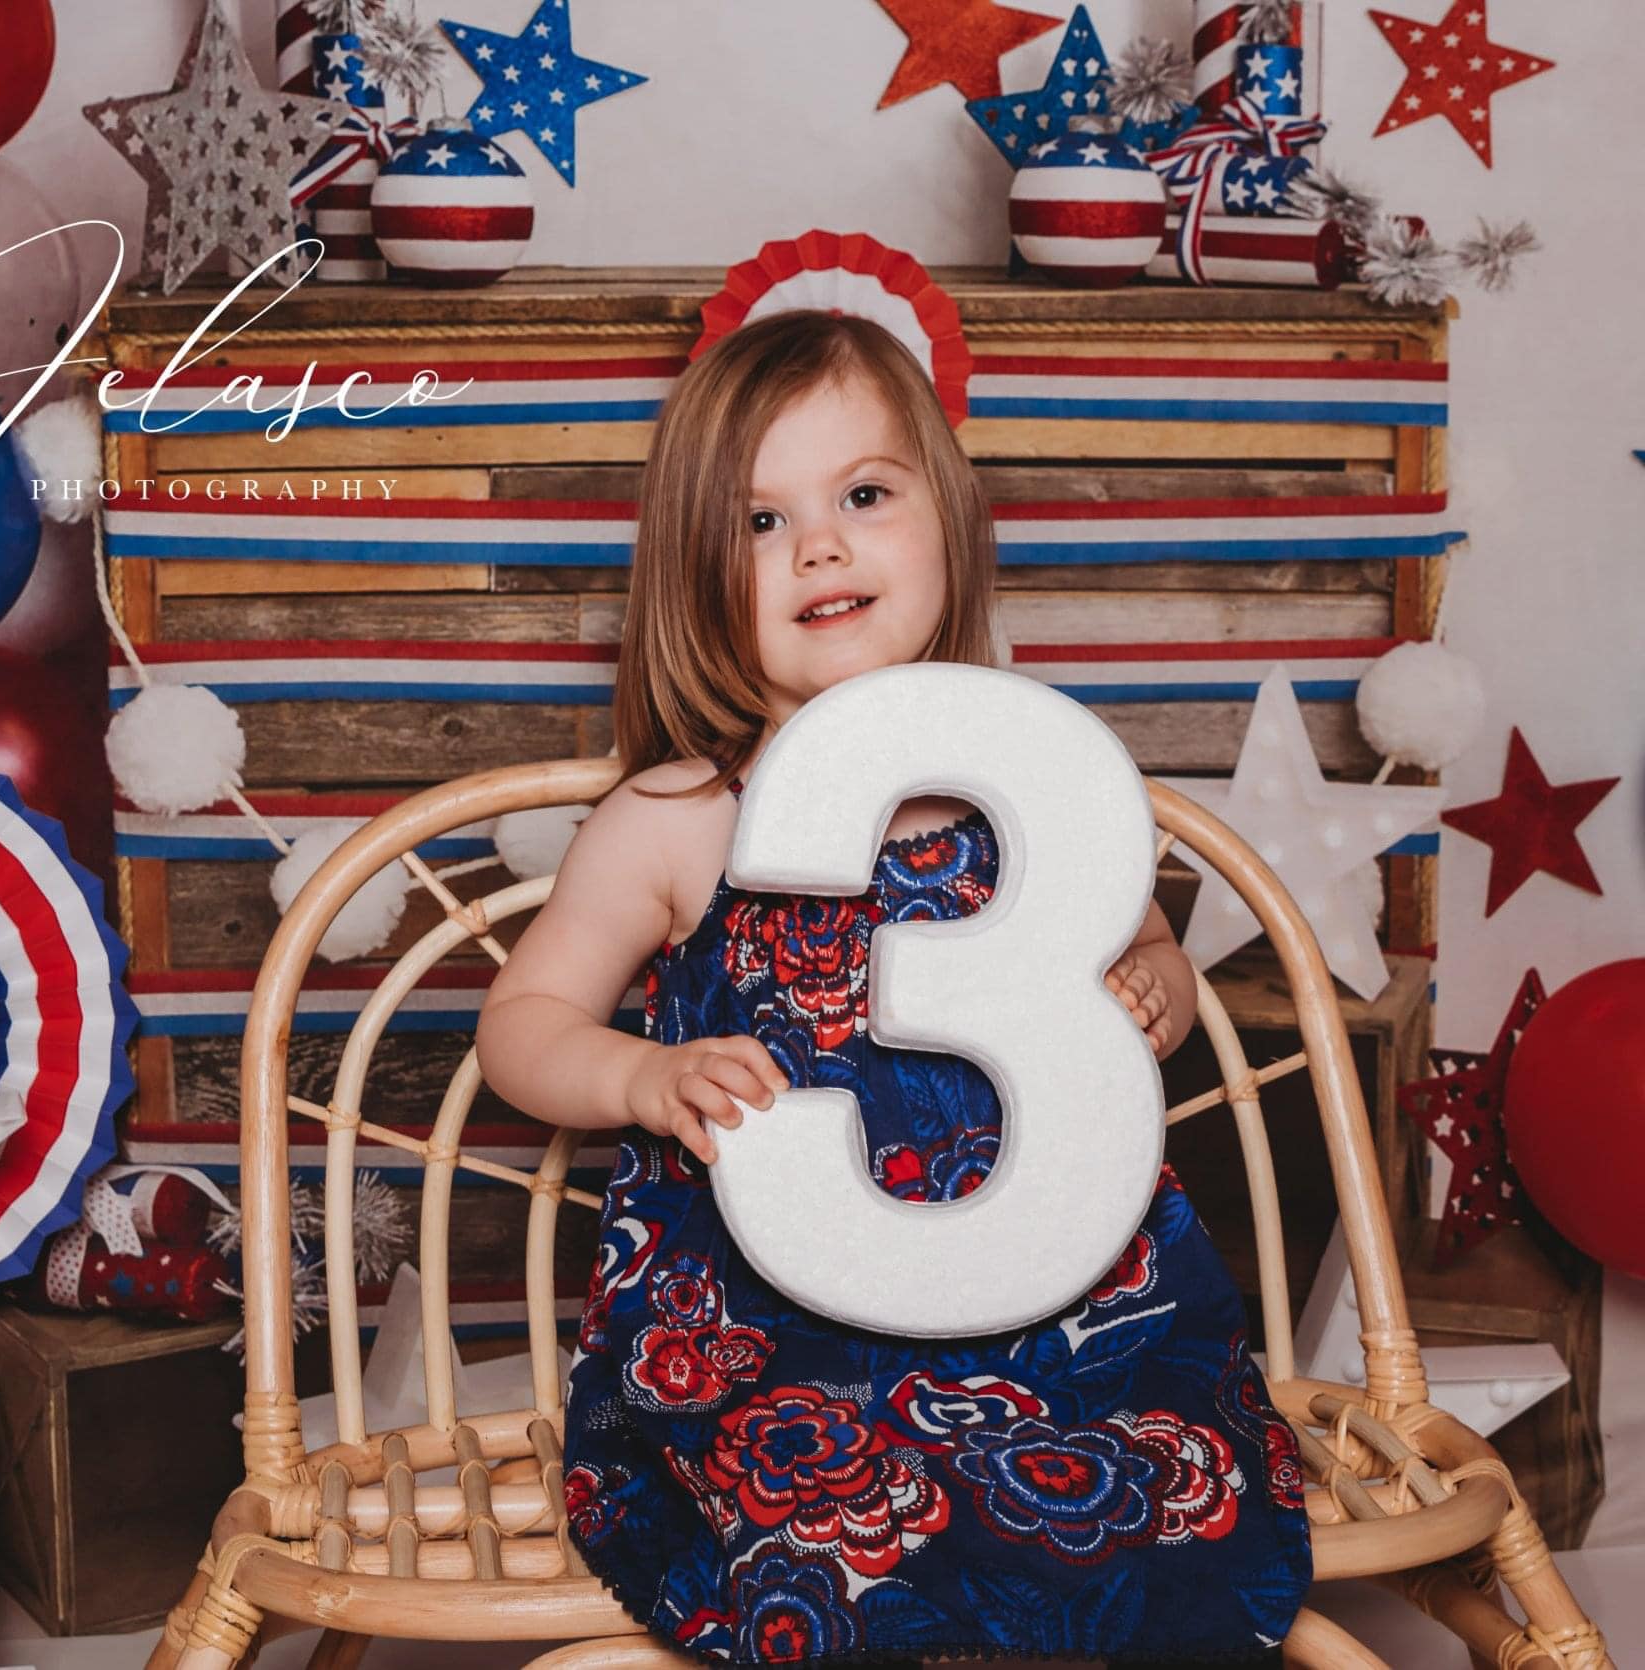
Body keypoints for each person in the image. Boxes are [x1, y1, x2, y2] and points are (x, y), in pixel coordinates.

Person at [473, 308, 1311, 1665]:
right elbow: (520, 1023)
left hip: (1069, 1312)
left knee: (1148, 1503)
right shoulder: (683, 817)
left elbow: (1147, 945)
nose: (820, 544)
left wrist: (1158, 989)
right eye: (759, 521)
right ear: (696, 572)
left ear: (950, 523)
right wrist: (638, 1072)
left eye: (864, 494)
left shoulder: (1035, 792)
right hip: (785, 1345)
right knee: (845, 1536)